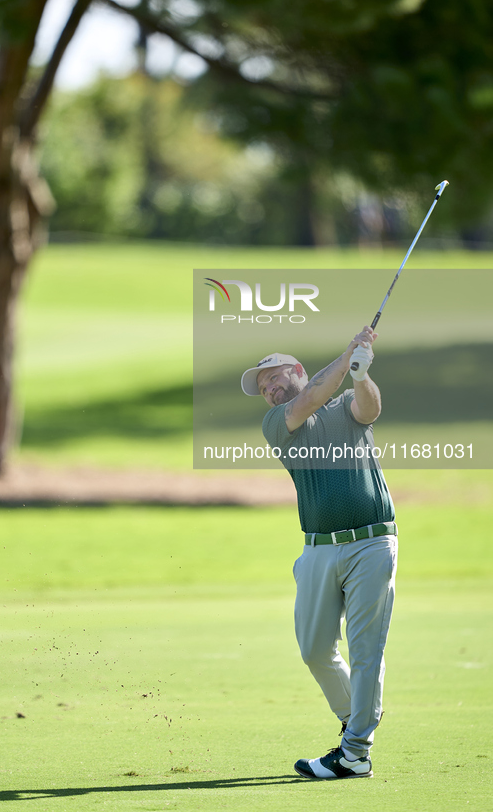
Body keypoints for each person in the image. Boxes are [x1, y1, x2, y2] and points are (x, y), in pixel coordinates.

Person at [240, 326, 397, 780]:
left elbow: (369, 408)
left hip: (372, 541)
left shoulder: (344, 408)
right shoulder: (279, 422)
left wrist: (361, 374)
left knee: (366, 649)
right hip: (318, 551)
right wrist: (349, 353)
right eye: (262, 385)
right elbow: (306, 400)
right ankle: (358, 716)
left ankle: (355, 750)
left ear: (297, 370)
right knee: (313, 649)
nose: (267, 388)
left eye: (272, 376)